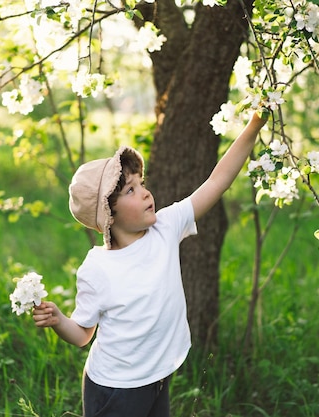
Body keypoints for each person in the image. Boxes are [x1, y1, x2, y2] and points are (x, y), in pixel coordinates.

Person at [33, 111, 268, 417]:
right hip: (115, 389)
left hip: (156, 377)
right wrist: (58, 320)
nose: (145, 193)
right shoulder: (98, 269)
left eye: (141, 183)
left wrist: (255, 125)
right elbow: (82, 335)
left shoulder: (165, 228)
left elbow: (217, 181)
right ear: (109, 215)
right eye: (130, 190)